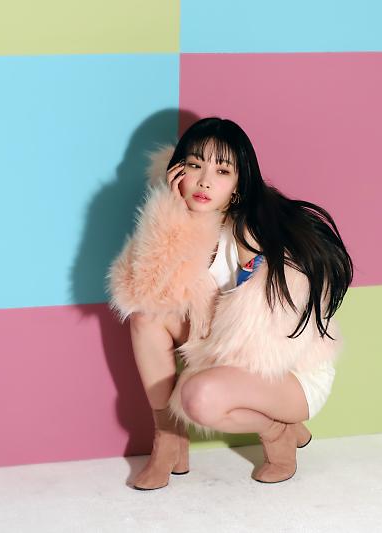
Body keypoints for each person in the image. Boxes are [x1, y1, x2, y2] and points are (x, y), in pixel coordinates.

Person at [106, 117, 353, 490]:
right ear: (177, 171)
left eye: (222, 171)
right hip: (223, 355)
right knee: (145, 318)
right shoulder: (185, 225)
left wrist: (202, 363)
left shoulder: (251, 235)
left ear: (238, 186)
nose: (205, 181)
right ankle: (169, 436)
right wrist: (170, 216)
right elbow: (142, 292)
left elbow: (262, 345)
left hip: (287, 374)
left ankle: (279, 431)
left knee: (197, 397)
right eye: (195, 165)